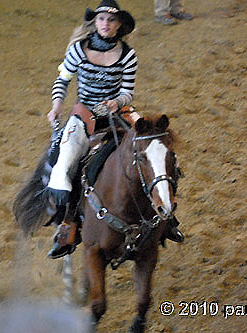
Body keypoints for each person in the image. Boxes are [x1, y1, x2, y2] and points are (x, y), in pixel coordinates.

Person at [45, 0, 184, 259]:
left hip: (118, 112)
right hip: (84, 116)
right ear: (94, 23)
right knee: (63, 169)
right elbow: (62, 81)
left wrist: (116, 102)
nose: (105, 24)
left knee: (156, 147)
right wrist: (57, 106)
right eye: (101, 20)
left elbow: (127, 93)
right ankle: (68, 226)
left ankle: (168, 222)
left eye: (111, 20)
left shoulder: (128, 55)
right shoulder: (77, 50)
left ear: (119, 25)